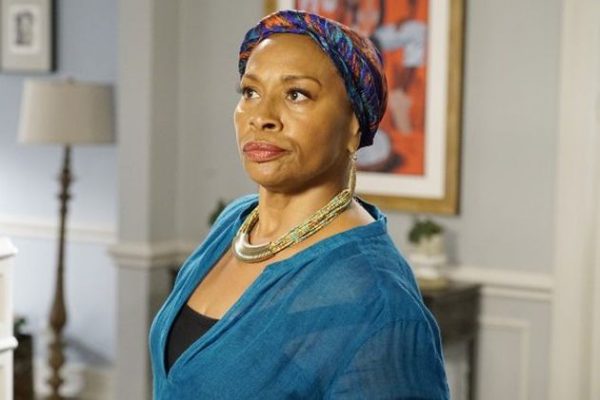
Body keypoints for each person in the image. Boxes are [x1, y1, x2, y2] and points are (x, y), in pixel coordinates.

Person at [149, 9, 449, 399]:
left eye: (296, 94)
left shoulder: (379, 302)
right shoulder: (234, 222)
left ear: (354, 124)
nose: (262, 117)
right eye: (250, 92)